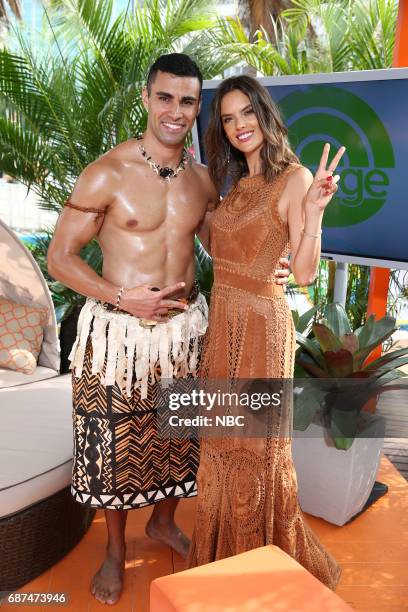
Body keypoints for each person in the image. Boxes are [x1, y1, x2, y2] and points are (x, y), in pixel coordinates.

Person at [47, 55, 290, 605]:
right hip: (117, 340)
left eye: (186, 101)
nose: (175, 111)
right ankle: (114, 549)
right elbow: (59, 257)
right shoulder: (106, 172)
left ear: (196, 106)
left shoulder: (202, 181)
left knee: (178, 440)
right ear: (146, 98)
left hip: (184, 332)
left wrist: (270, 261)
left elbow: (225, 245)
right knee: (112, 449)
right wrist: (119, 295)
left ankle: (162, 522)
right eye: (165, 98)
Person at [187, 75, 345, 590]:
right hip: (224, 319)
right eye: (228, 119)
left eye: (245, 114)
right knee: (220, 439)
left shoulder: (294, 178)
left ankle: (254, 572)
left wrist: (315, 213)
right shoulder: (232, 183)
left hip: (260, 323)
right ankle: (218, 557)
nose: (238, 126)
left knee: (254, 450)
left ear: (264, 114)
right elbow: (222, 250)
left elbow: (302, 273)